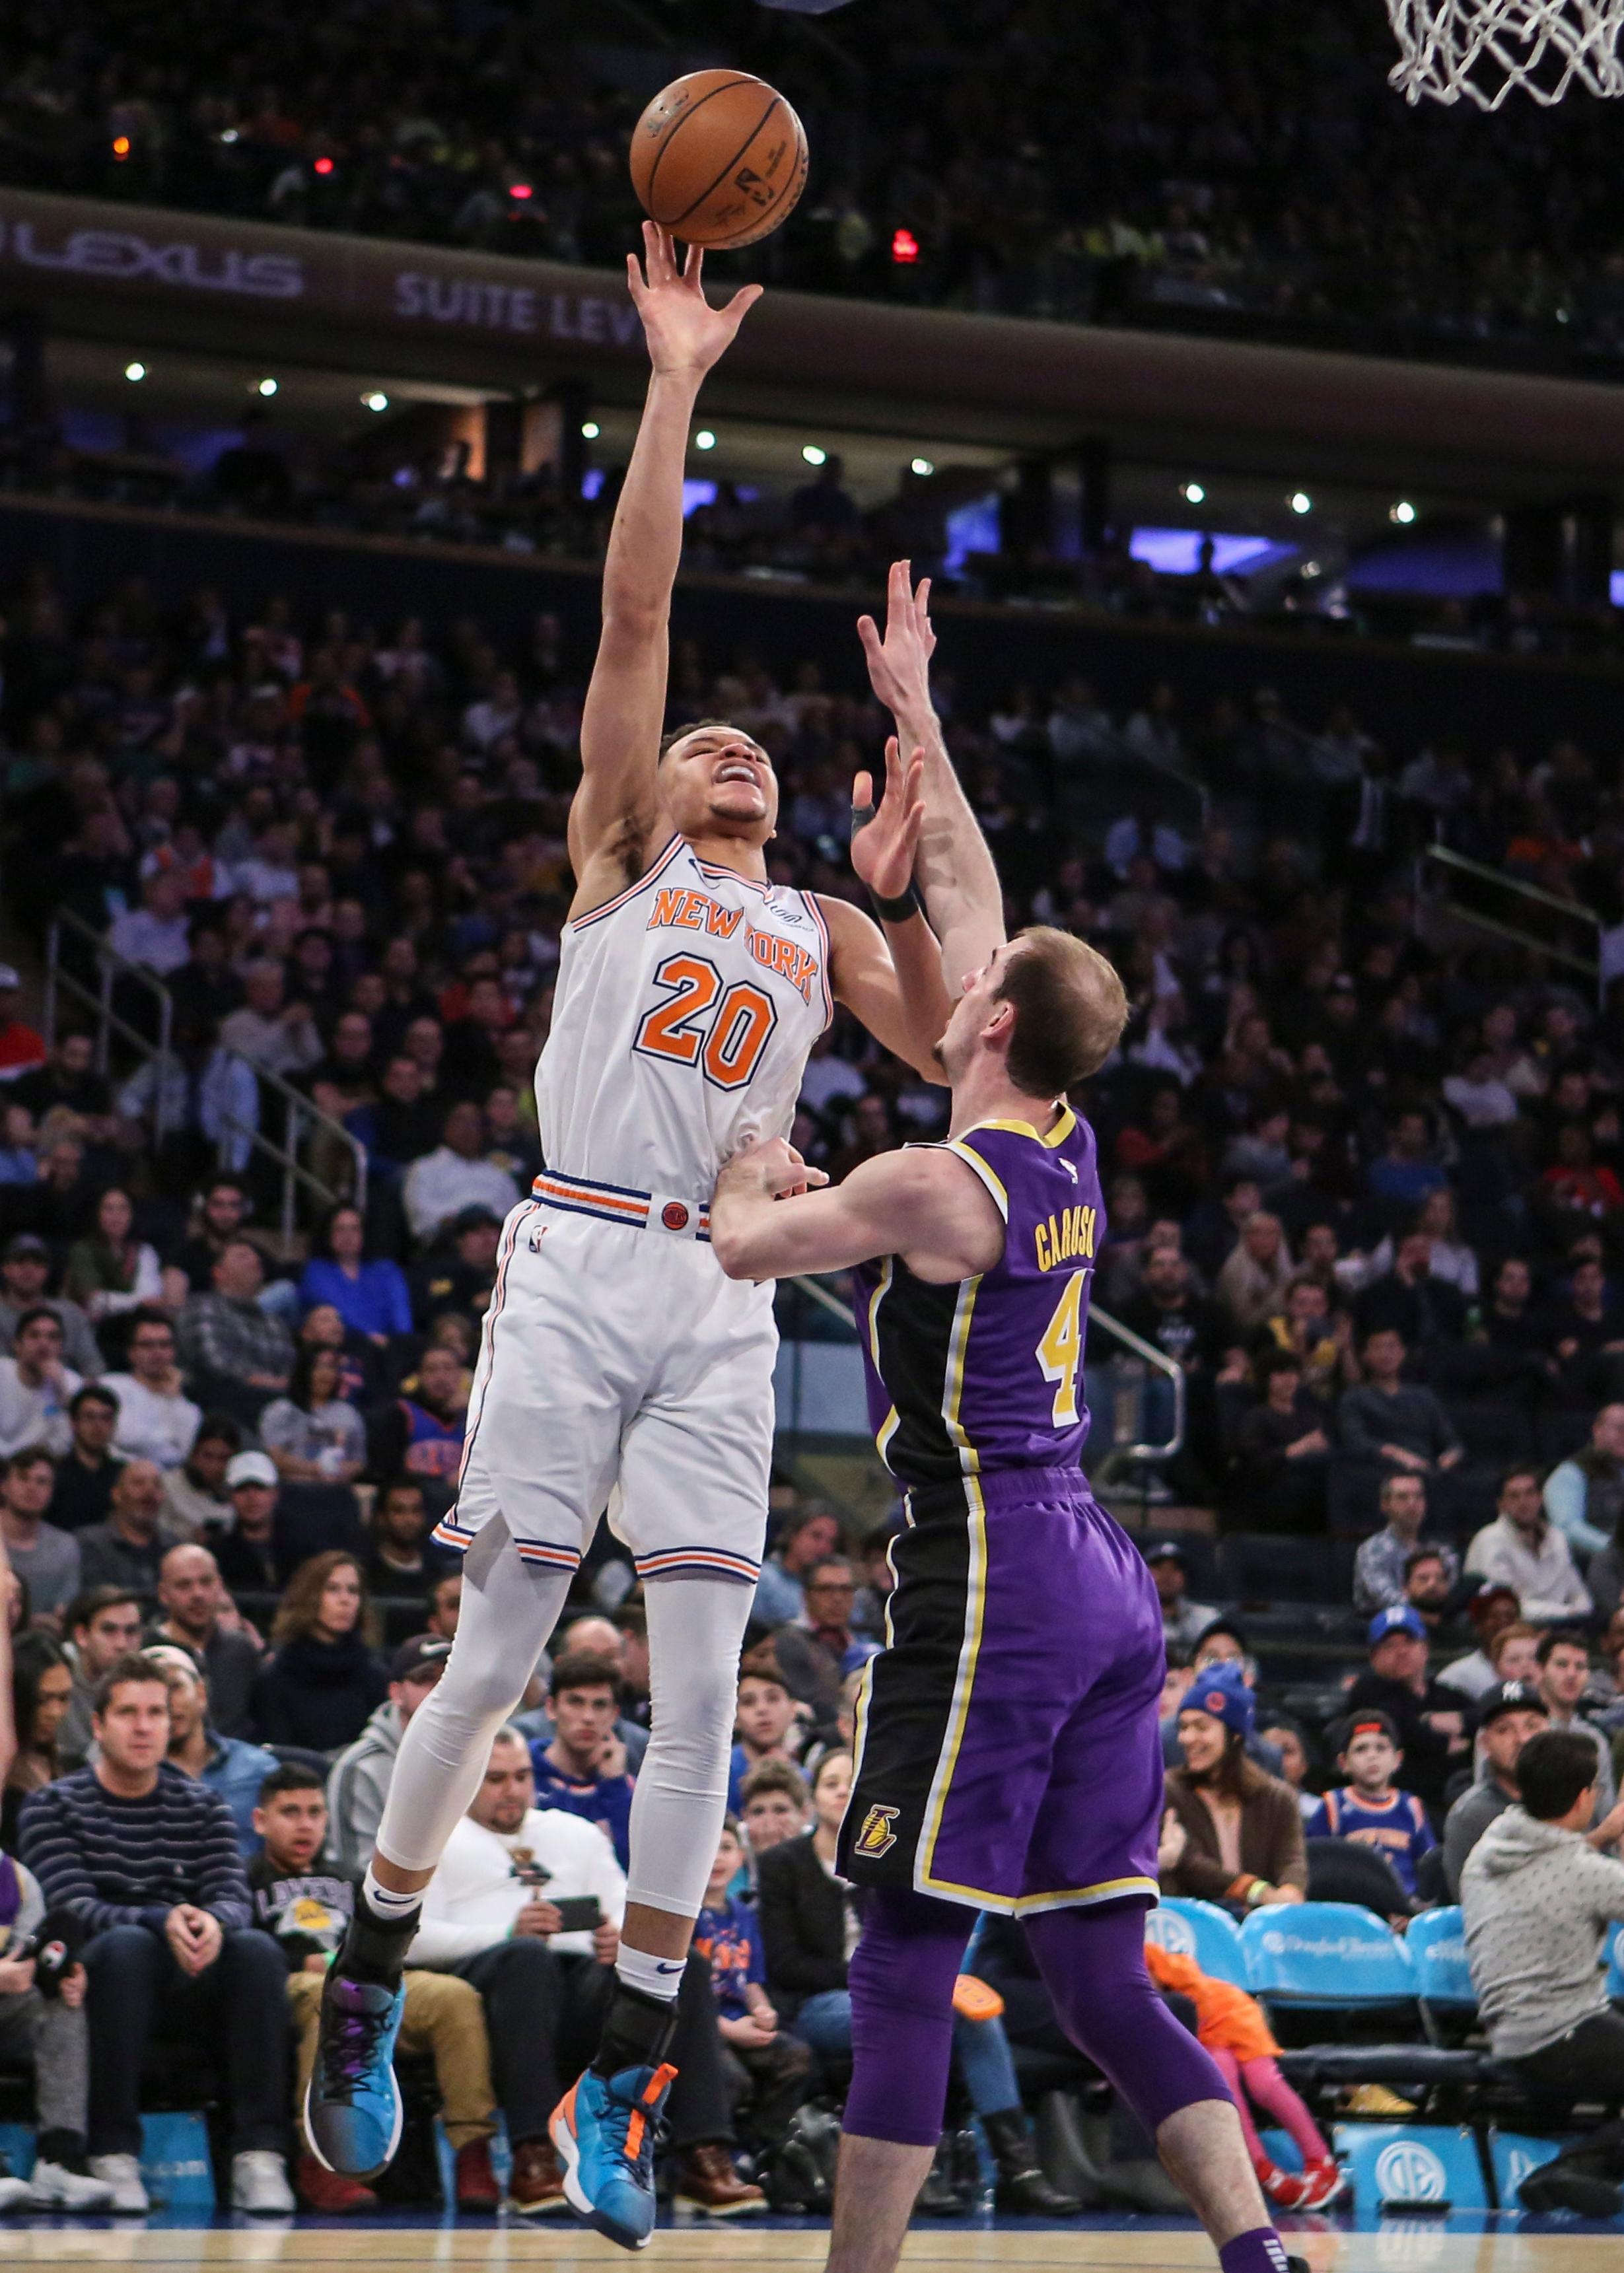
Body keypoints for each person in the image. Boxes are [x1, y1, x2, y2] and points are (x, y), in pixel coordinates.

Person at [309, 228, 1001, 2256]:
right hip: (574, 1253)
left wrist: (923, 750)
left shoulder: (816, 926)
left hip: (723, 1285)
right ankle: (364, 1961)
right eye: (713, 737)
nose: (732, 747)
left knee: (709, 1681)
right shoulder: (620, 855)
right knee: (505, 1647)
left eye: (759, 752)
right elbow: (632, 608)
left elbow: (985, 1024)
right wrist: (677, 374)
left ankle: (624, 2067)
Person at [707, 930, 1300, 2273]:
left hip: (994, 1570)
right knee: (1098, 1978)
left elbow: (742, 1244)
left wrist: (753, 1159)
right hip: (1100, 1565)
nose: (956, 976)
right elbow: (1004, 948)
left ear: (991, 1024)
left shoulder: (930, 1182)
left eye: (978, 978)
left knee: (903, 1949)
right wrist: (917, 726)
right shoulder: (1066, 1136)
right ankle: (1256, 2251)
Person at [413, 1727, 761, 2216]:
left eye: (520, 1777)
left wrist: (622, 1935)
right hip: (488, 1987)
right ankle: (532, 2157)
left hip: (579, 1982)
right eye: (494, 1779)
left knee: (687, 1966)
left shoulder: (571, 1832)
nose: (511, 1789)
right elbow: (413, 1938)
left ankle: (705, 2157)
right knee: (528, 1961)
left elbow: (624, 1904)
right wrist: (507, 1932)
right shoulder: (438, 1838)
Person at [17, 1650, 295, 2213]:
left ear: (174, 1723)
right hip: (104, 1973)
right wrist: (157, 1919)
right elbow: (70, 1906)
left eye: (155, 1713)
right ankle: (113, 2152)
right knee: (126, 1947)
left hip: (193, 1962)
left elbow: (232, 1895)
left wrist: (212, 1923)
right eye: (127, 1713)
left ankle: (259, 2154)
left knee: (258, 1950)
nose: (143, 1726)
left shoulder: (205, 1805)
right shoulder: (53, 1807)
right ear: (98, 1726)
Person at [759, 1747, 1076, 2215]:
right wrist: (879, 1979)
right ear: (812, 1800)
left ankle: (1017, 2170)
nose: (844, 1790)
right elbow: (786, 1964)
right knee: (909, 2014)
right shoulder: (783, 1864)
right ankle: (915, 2172)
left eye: (852, 1781)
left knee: (971, 2013)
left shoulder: (885, 1856)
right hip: (818, 2004)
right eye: (831, 1783)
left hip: (892, 1992)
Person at [249, 1761, 506, 2216]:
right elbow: (240, 1954)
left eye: (314, 1812)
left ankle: (472, 2153)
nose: (305, 1824)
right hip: (290, 1988)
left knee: (454, 1997)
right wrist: (293, 1959)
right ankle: (322, 2159)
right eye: (290, 1812)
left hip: (366, 1983)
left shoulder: (353, 1878)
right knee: (321, 1996)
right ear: (260, 1821)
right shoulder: (248, 1880)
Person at [1461, 1729, 1624, 2218]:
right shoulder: (1583, 1872)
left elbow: (1554, 1863)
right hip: (1560, 2036)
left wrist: (1600, 1836)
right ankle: (1570, 2171)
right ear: (1583, 1797)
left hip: (1512, 2032)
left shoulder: (1490, 1846)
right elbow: (1575, 1872)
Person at [692, 1816, 814, 2153]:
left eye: (727, 1848)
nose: (716, 1858)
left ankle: (758, 2148)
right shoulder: (682, 1917)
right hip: (699, 2029)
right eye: (707, 1848)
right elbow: (678, 1996)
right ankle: (712, 2154)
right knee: (733, 2079)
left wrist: (763, 2009)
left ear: (741, 1858)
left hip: (739, 2022)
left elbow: (751, 1981)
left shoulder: (744, 1914)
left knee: (796, 2058)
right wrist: (729, 2031)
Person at [1160, 1667, 1308, 1908]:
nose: (1186, 1738)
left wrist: (1290, 1893)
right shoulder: (1169, 1789)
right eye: (1184, 1727)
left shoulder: (1279, 1798)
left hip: (1260, 1935)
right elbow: (1189, 1863)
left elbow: (1292, 1862)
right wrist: (1257, 1891)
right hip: (1191, 1934)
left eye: (1201, 1727)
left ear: (1236, 1736)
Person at [327, 1636, 452, 1876]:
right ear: (396, 1692)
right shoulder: (362, 1767)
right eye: (426, 1679)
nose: (440, 1691)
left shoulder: (487, 1755)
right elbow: (354, 1870)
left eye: (449, 1680)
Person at [149, 1644, 277, 1861]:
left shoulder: (260, 1768)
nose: (167, 1702)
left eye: (175, 1687)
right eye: (154, 1694)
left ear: (200, 1693)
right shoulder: (133, 1780)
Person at [250, 1553, 388, 1753]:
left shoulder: (374, 1676)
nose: (345, 1600)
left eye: (353, 1591)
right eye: (332, 1589)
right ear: (309, 1596)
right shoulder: (276, 1677)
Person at [1346, 1605, 1467, 1821]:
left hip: (1450, 1802)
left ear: (1426, 1648)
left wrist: (1433, 1722)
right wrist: (1443, 1740)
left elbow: (1483, 1715)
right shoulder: (1368, 1690)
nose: (1401, 1651)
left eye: (1410, 1642)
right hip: (1394, 1805)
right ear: (1374, 1657)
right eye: (1390, 1645)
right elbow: (1403, 1727)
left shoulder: (1444, 1694)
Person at [1302, 1711, 1436, 1898]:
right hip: (1352, 1909)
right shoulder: (1334, 1805)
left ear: (1397, 1759)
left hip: (1405, 1909)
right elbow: (1314, 1862)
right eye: (1361, 1749)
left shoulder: (1412, 1807)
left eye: (1381, 1748)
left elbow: (1428, 1866)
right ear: (1343, 1762)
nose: (1372, 1756)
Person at [529, 1651, 637, 1871]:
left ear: (614, 1714)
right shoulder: (522, 1776)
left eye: (599, 1705)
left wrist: (616, 1786)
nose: (588, 1717)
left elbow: (634, 1869)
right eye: (576, 1702)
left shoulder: (628, 1787)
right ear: (551, 1708)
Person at [1441, 1680, 1549, 1899]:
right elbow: (1469, 1903)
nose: (1522, 1739)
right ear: (1484, 1743)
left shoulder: (1572, 1799)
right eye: (1505, 1730)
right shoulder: (1471, 1814)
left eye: (1532, 1726)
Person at [147, 1543, 262, 1737]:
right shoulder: (146, 1653)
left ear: (220, 1586)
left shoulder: (242, 1649)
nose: (198, 1594)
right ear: (163, 1594)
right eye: (184, 1585)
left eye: (206, 1582)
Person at [1465, 1464, 1593, 1623]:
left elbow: (1578, 1592)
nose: (1523, 1502)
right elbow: (1509, 1606)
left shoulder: (1557, 1538)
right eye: (1514, 1496)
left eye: (1530, 1493)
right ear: (1501, 1504)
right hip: (1512, 1629)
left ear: (1540, 1498)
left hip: (1564, 1626)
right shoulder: (1489, 1540)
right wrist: (1567, 1613)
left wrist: (1581, 1612)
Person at [176, 1240, 294, 1413]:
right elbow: (212, 1361)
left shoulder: (274, 1322)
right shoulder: (203, 1306)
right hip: (221, 1404)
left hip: (276, 1406)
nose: (255, 1260)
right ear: (219, 1272)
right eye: (243, 1256)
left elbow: (289, 1364)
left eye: (257, 1257)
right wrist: (257, 1379)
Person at [1337, 1327, 1464, 1477]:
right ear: (1366, 1356)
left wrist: (1451, 1456)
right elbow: (1355, 1441)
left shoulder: (1423, 1396)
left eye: (1391, 1347)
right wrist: (1394, 1453)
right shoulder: (1355, 1397)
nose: (1385, 1354)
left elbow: (1451, 1440)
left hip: (1425, 1473)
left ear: (1402, 1353)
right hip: (1377, 1473)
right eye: (1378, 1347)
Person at [100, 1311, 201, 1471]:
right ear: (131, 1352)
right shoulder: (111, 1386)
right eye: (147, 1345)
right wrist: (165, 1446)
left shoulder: (185, 1404)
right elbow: (124, 1436)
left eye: (164, 1345)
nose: (157, 1352)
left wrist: (174, 1399)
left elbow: (188, 1451)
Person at [298, 1205, 412, 1346]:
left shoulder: (386, 1270)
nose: (348, 1236)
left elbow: (401, 1312)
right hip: (344, 1344)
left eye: (355, 1229)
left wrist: (402, 1342)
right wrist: (368, 1336)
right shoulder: (316, 1271)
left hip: (389, 1346)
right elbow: (338, 1311)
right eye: (340, 1229)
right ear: (328, 1234)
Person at [55, 1589, 144, 1770]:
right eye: (109, 1630)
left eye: (131, 1631)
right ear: (82, 1636)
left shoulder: (146, 1682)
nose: (122, 1644)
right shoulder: (55, 1672)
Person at [1351, 1473, 1460, 1615]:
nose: (1412, 1504)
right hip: (1385, 1626)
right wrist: (1424, 1613)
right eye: (1403, 1497)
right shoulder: (1373, 1549)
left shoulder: (1443, 1549)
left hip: (1437, 1622)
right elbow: (1386, 1598)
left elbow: (1451, 1594)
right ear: (1385, 1505)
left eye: (1418, 1497)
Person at [259, 1345, 367, 1484]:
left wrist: (340, 1472)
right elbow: (274, 1456)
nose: (325, 1374)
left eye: (331, 1367)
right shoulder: (281, 1410)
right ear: (304, 1371)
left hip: (335, 1488)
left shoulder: (348, 1413)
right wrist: (317, 1469)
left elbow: (359, 1461)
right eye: (318, 1367)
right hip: (291, 1487)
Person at [1537, 1631, 1617, 1814]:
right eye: (1562, 1665)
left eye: (1580, 1666)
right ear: (1540, 1670)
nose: (1572, 1674)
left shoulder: (1595, 1740)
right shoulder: (1516, 1732)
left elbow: (1605, 1812)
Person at [4, 1631, 72, 1847]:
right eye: (43, 1700)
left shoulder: (75, 1767)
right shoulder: (4, 1779)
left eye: (63, 1698)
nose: (55, 1712)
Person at [0, 1235, 101, 1380]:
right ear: (5, 1268)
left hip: (66, 1393)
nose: (29, 1269)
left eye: (37, 1263)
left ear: (47, 1271)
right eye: (20, 1261)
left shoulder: (70, 1313)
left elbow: (93, 1366)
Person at [773, 1557, 859, 1725]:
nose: (838, 1599)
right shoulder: (788, 1641)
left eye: (846, 1589)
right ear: (806, 1596)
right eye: (826, 1589)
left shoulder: (860, 1644)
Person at [0, 1447, 81, 1617]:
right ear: (4, 1486)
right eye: (23, 1478)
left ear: (52, 1490)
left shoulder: (65, 1547)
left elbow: (64, 1613)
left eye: (42, 1481)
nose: (32, 1488)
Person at [61, 1189, 162, 1322]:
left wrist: (116, 1301)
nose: (116, 1215)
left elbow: (151, 1298)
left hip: (133, 1324)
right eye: (109, 1209)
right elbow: (93, 1301)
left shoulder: (144, 1251)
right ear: (97, 1214)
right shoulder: (83, 1250)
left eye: (123, 1209)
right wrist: (137, 1302)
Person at [1543, 1403, 1624, 1564]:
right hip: (1593, 1567)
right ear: (1597, 1430)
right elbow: (1567, 1528)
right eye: (1620, 1428)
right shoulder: (1571, 1473)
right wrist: (1613, 1549)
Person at [728, 1646, 806, 1811]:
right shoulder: (720, 1775)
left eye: (773, 1699)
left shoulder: (806, 1778)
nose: (762, 1709)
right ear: (733, 1716)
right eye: (748, 1702)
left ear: (793, 1710)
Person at [75, 1459, 167, 1596]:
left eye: (157, 1485)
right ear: (117, 1495)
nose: (150, 1491)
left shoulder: (173, 1546)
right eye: (139, 1483)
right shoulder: (89, 1543)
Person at [0, 1310, 82, 1459]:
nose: (44, 1344)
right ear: (17, 1345)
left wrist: (61, 1391)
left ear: (61, 1348)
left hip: (39, 1468)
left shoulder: (71, 1384)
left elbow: (66, 1444)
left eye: (53, 1337)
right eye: (34, 1336)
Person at [752, 1506, 843, 1628]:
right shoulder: (764, 1578)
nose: (823, 1547)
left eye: (831, 1542)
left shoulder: (830, 1590)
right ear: (794, 1535)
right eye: (816, 1536)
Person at [50, 1387, 124, 1535]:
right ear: (73, 1423)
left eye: (106, 1418)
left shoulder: (123, 1476)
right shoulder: (55, 1474)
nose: (98, 1426)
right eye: (90, 1417)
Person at [211, 1450, 287, 1592]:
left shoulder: (303, 1550)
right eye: (242, 1489)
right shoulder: (216, 1556)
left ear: (275, 1494)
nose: (252, 1497)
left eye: (260, 1488)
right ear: (230, 1496)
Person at [1437, 1582, 1522, 1702]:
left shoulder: (1538, 1669)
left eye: (1510, 1615)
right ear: (1478, 1626)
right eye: (1494, 1616)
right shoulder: (1456, 1677)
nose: (1503, 1622)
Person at [1145, 1542, 1218, 1656]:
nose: (1167, 1576)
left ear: (1185, 1576)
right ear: (1144, 1572)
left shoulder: (1208, 1618)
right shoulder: (1131, 1618)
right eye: (1159, 1568)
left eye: (1175, 1569)